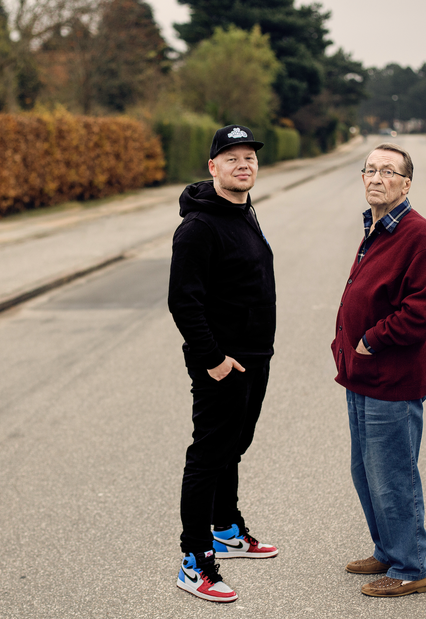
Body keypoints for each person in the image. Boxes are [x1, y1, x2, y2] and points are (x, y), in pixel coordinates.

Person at [168, 125, 279, 603]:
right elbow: (182, 302)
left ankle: (226, 528)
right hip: (222, 364)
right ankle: (194, 560)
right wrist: (212, 359)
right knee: (209, 455)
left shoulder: (243, 210)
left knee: (235, 446)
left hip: (254, 358)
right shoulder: (198, 227)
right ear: (212, 167)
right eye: (231, 157)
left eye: (249, 157)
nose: (243, 164)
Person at [331, 142, 426, 597]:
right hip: (361, 375)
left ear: (406, 183)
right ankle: (388, 550)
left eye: (388, 171)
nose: (376, 178)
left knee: (393, 474)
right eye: (370, 170)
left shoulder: (417, 232)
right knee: (366, 471)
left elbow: (425, 311)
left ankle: (412, 568)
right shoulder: (376, 226)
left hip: (391, 381)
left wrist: (371, 340)